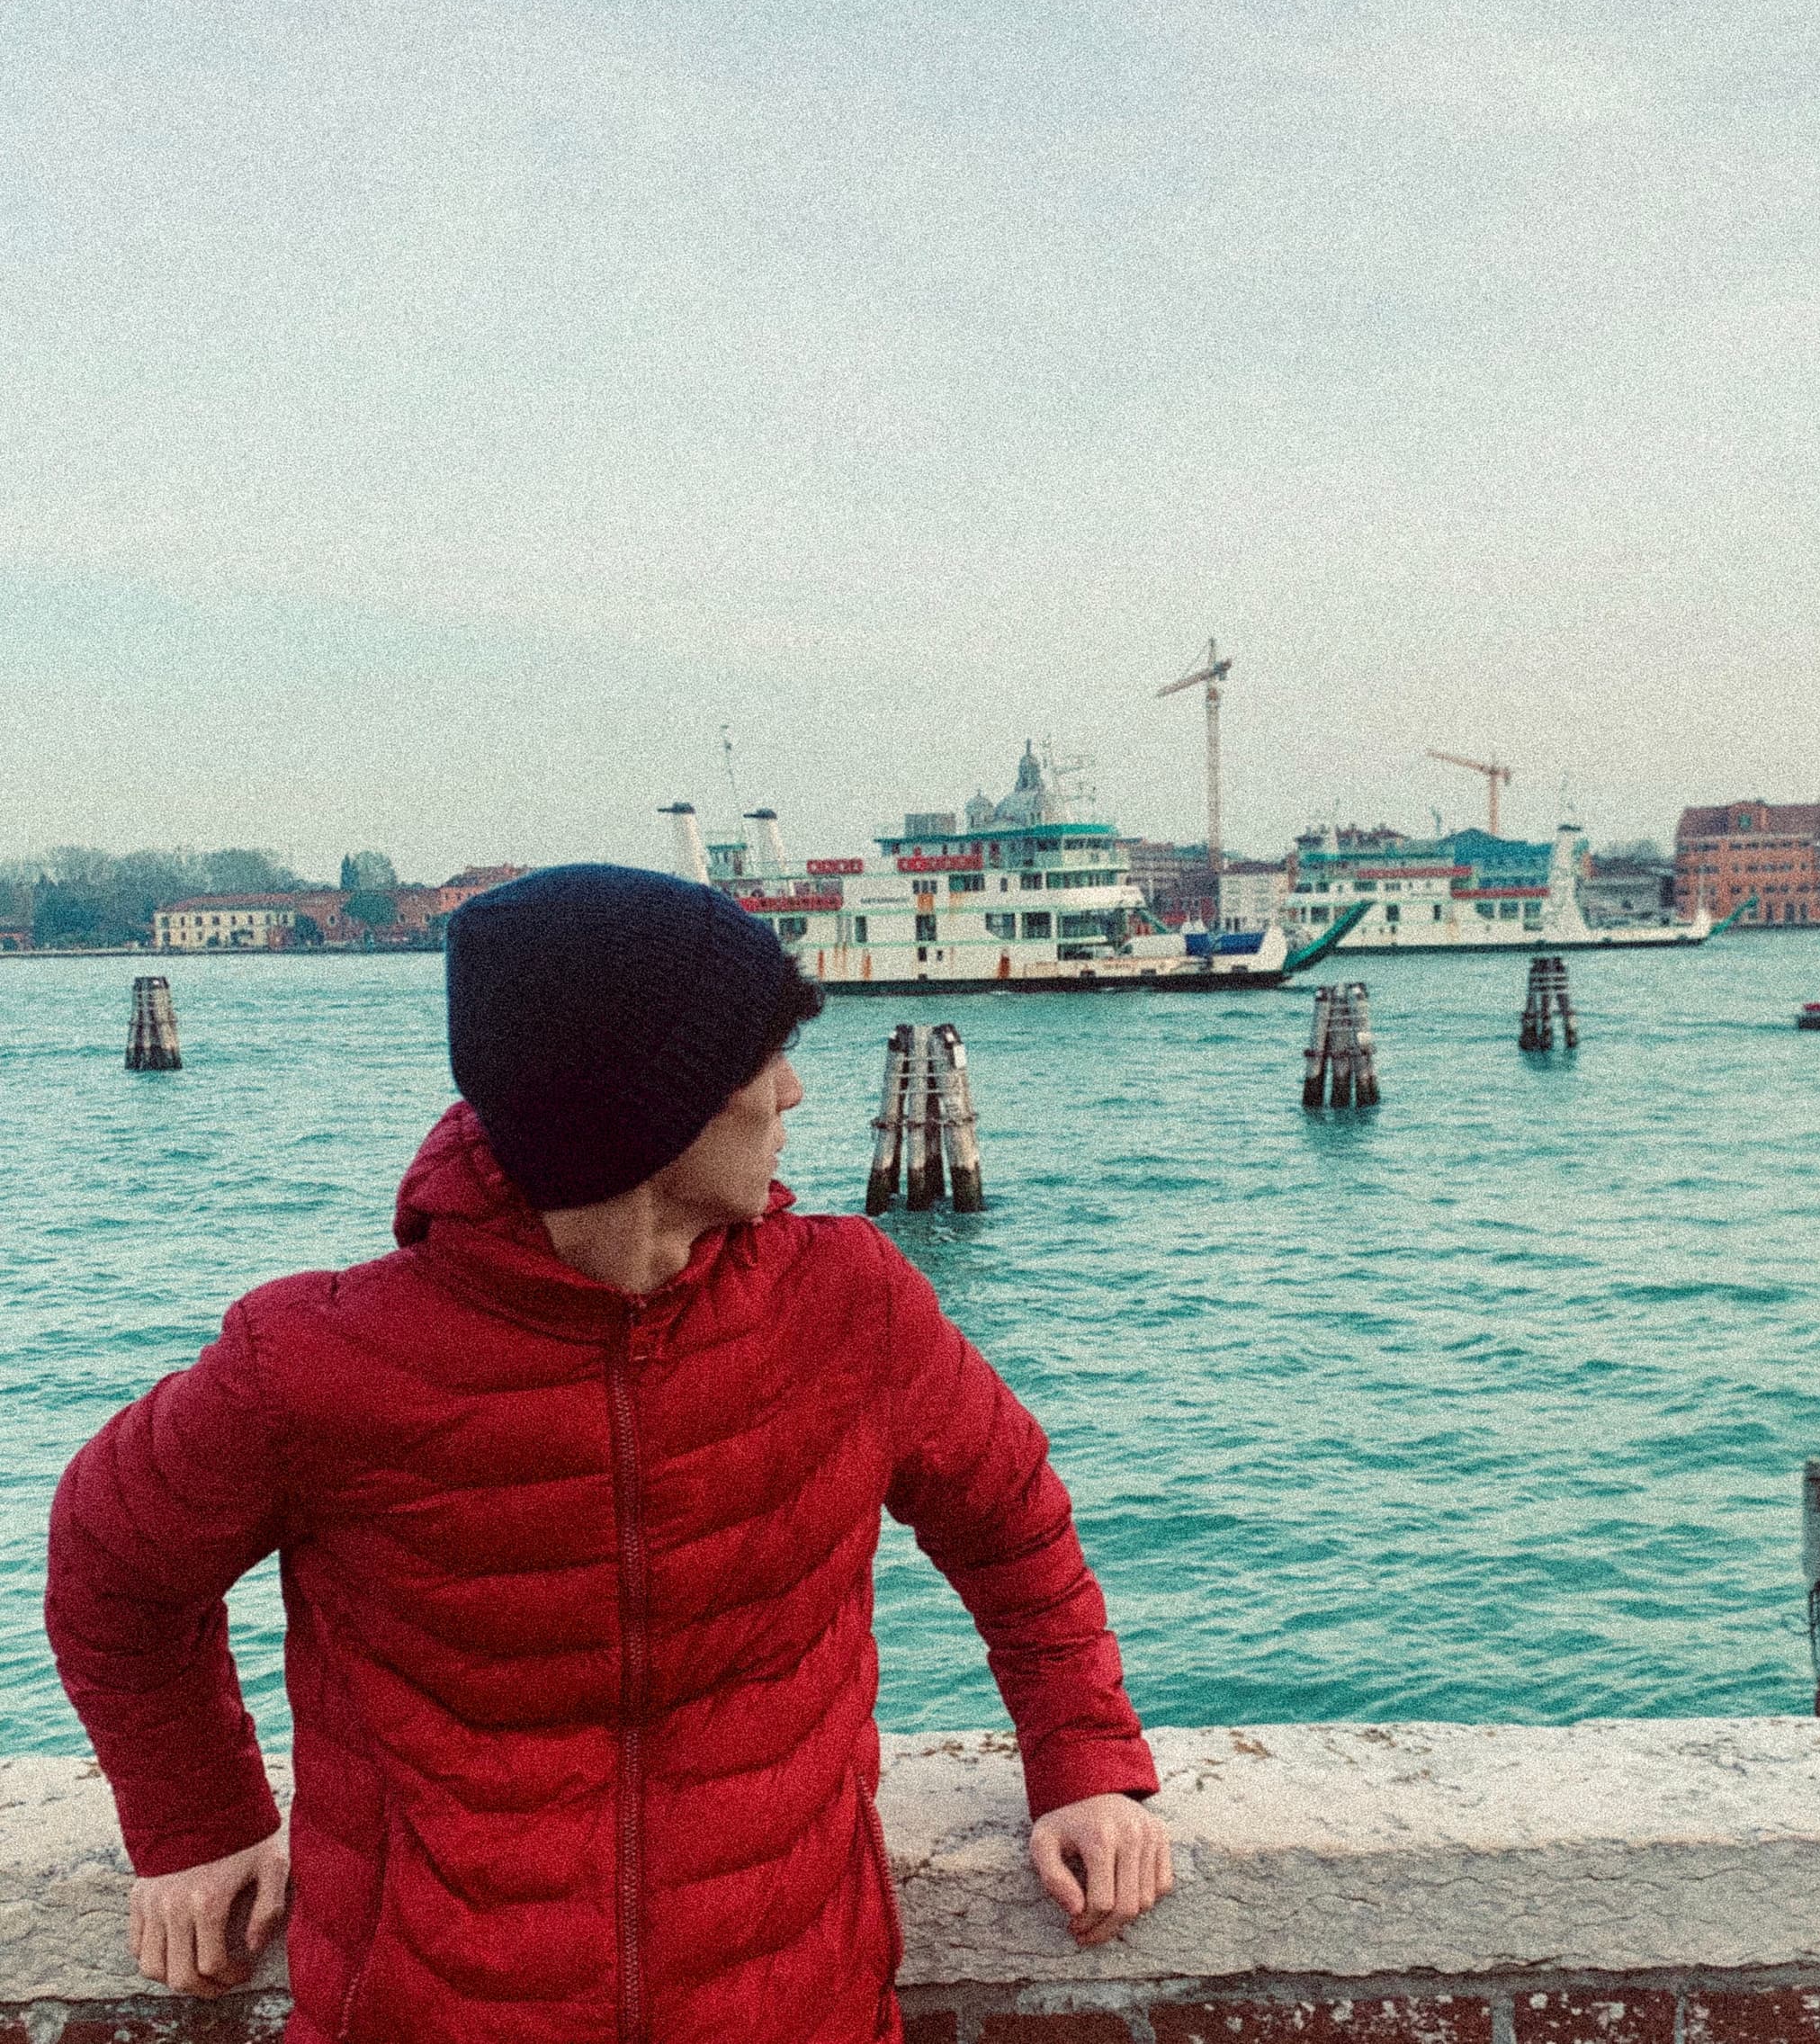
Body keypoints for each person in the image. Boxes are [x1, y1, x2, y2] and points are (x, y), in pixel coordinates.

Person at [47, 865, 1172, 2043]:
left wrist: (1086, 1758)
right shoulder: (316, 1362)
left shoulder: (850, 1304)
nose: (794, 1091)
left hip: (798, 2014)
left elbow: (1011, 1520)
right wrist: (198, 1820)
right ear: (649, 1113)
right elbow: (111, 1562)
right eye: (760, 1059)